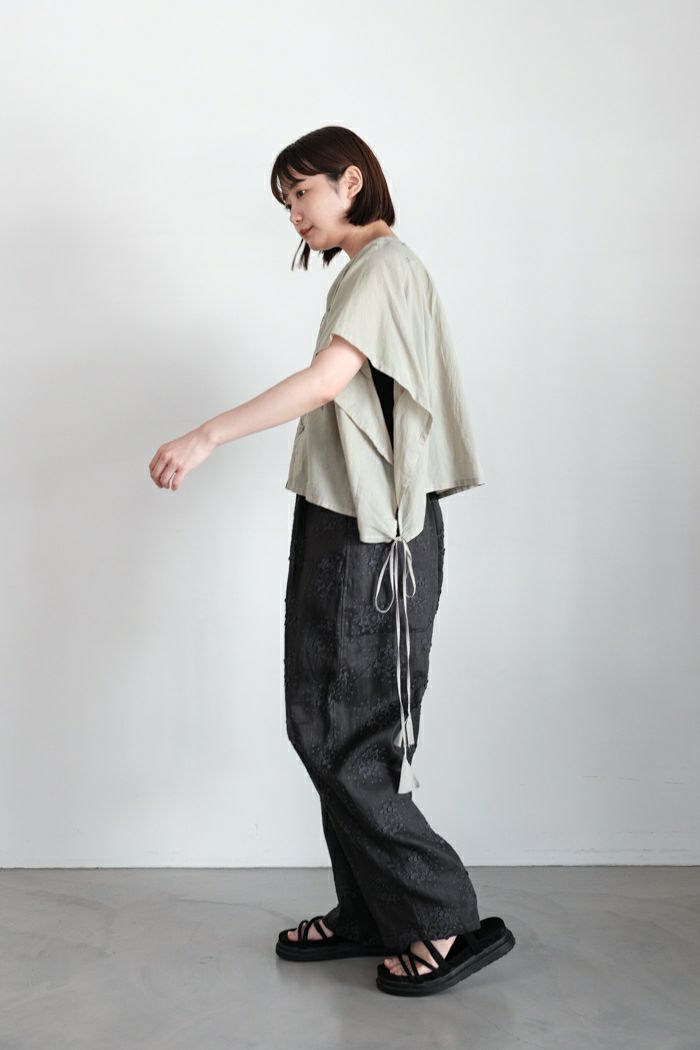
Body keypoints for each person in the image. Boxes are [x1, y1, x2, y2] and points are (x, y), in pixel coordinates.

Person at [148, 126, 515, 997]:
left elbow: (325, 380)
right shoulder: (369, 272)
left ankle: (439, 917)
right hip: (344, 521)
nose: (294, 214)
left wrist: (206, 436)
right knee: (327, 724)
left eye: (301, 193)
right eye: (285, 202)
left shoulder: (384, 268)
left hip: (373, 539)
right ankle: (371, 912)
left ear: (352, 182)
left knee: (347, 732)